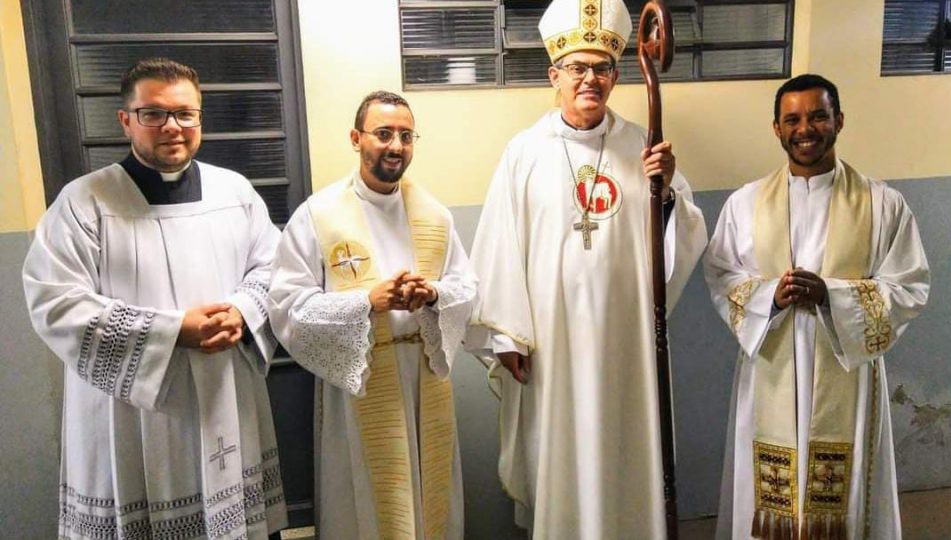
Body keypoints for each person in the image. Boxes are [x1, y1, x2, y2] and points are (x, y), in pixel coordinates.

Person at [466, 0, 708, 537]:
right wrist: (507, 336)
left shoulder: (644, 146)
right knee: (562, 448)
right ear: (554, 75)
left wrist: (665, 191)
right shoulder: (524, 152)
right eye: (577, 67)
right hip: (553, 343)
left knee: (627, 444)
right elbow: (499, 244)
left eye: (601, 68)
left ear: (617, 76)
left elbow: (685, 236)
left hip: (628, 342)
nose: (589, 79)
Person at [22, 58, 287, 538]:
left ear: (200, 117)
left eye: (186, 114)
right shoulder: (85, 203)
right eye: (153, 114)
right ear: (126, 120)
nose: (172, 127)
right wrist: (173, 331)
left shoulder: (236, 193)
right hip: (134, 414)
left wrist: (243, 312)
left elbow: (273, 267)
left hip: (224, 394)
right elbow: (55, 303)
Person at [704, 74, 930, 540]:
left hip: (844, 372)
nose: (805, 128)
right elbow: (722, 273)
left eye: (817, 116)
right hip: (771, 366)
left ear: (838, 120)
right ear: (777, 129)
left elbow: (909, 286)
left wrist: (832, 295)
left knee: (843, 495)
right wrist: (770, 296)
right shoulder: (745, 203)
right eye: (793, 119)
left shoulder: (883, 203)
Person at [268, 91, 477, 539]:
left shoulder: (435, 216)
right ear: (355, 138)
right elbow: (287, 305)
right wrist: (366, 303)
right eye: (383, 134)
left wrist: (433, 294)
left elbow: (467, 288)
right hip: (360, 388)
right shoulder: (319, 215)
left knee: (429, 498)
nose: (395, 146)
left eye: (406, 135)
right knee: (363, 502)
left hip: (424, 379)